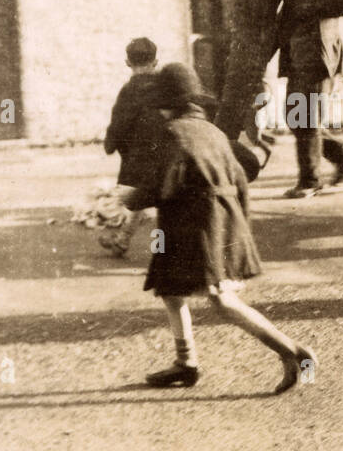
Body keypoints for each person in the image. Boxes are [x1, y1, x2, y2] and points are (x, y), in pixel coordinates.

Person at [123, 63, 317, 392]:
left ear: (168, 104)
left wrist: (130, 199)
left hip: (196, 228)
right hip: (219, 224)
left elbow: (164, 185)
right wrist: (241, 233)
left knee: (222, 300)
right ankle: (186, 363)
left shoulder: (173, 134)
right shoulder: (214, 133)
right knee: (171, 291)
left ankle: (295, 353)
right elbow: (242, 179)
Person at [280, 16, 343, 198]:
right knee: (296, 117)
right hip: (298, 54)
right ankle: (340, 156)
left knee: (306, 118)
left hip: (316, 55)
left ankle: (310, 181)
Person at [101, 37, 164, 257]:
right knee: (162, 196)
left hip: (136, 156)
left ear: (127, 62)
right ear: (155, 62)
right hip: (164, 152)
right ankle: (129, 240)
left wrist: (110, 144)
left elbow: (119, 122)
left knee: (135, 196)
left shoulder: (128, 91)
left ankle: (122, 237)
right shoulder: (166, 87)